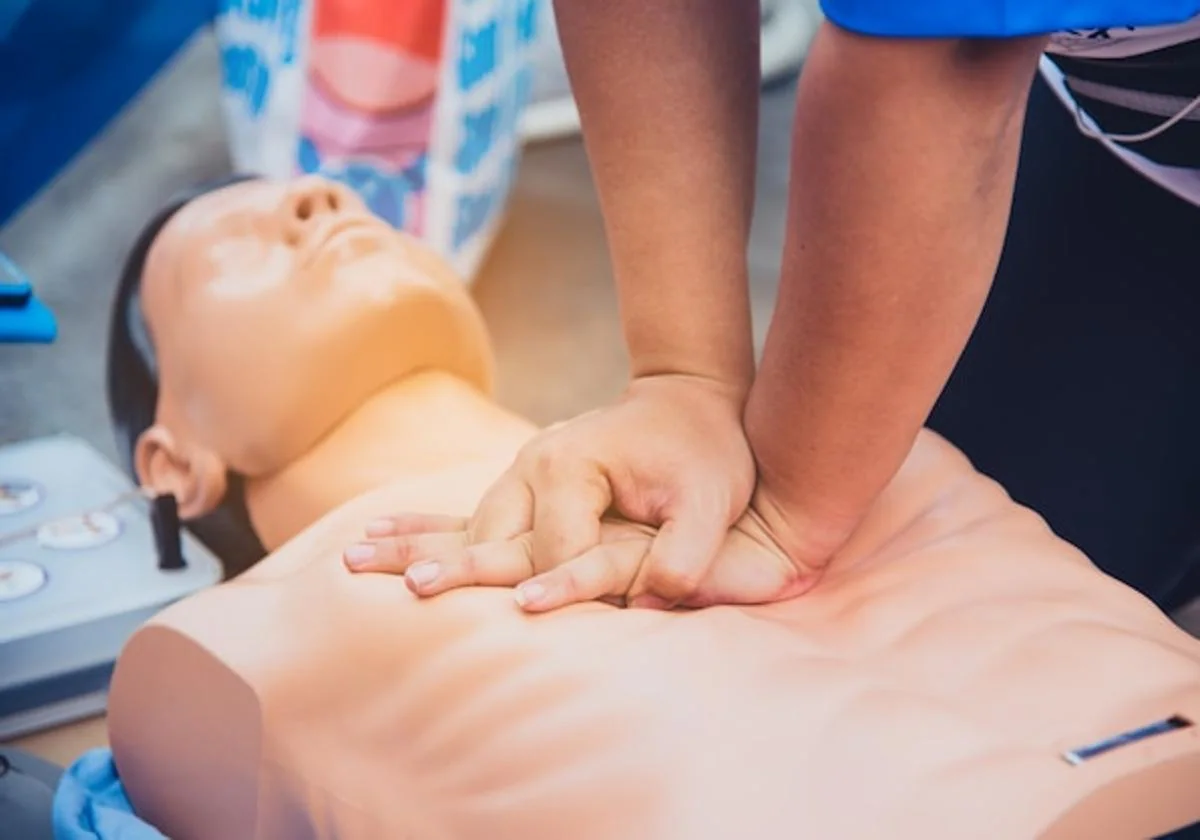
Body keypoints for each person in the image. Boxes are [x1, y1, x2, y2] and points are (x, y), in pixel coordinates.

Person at [50, 174, 1200, 839]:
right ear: (173, 462)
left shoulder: (813, 409)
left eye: (336, 196)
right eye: (229, 251)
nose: (316, 194)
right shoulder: (223, 656)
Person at [352, 2, 1200, 616]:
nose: (306, 212)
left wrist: (787, 511)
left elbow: (947, 53)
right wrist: (682, 377)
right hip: (1129, 140)